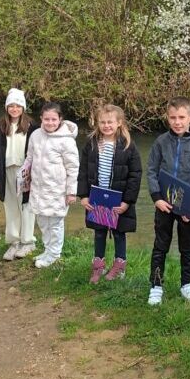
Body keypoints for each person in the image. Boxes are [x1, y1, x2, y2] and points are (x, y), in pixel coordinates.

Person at [146, 96, 190, 305]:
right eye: (173, 117)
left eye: (182, 117)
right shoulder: (161, 142)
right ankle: (156, 285)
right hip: (164, 204)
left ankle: (187, 284)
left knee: (187, 247)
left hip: (187, 207)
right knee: (160, 245)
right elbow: (152, 170)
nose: (177, 122)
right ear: (167, 117)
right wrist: (156, 197)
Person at [77, 104, 142, 283]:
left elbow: (135, 175)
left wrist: (127, 202)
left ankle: (119, 267)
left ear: (119, 123)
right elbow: (82, 171)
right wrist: (83, 196)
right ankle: (98, 266)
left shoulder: (128, 146)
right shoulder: (91, 144)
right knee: (99, 233)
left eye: (110, 122)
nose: (106, 126)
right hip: (97, 198)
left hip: (118, 200)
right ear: (97, 123)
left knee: (119, 233)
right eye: (102, 122)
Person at [25, 102, 79, 268]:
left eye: (53, 119)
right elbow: (29, 158)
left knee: (55, 223)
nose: (50, 122)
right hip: (38, 188)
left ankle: (54, 254)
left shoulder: (67, 141)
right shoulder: (35, 135)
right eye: (46, 119)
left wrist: (71, 192)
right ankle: (48, 250)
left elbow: (73, 167)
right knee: (42, 221)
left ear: (60, 119)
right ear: (41, 118)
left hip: (57, 190)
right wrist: (24, 178)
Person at [0, 88, 38, 261]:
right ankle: (14, 241)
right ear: (6, 107)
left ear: (23, 107)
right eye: (11, 105)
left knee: (26, 205)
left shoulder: (31, 125)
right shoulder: (0, 126)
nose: (14, 109)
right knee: (10, 205)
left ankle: (28, 241)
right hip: (6, 170)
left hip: (25, 170)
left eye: (18, 105)